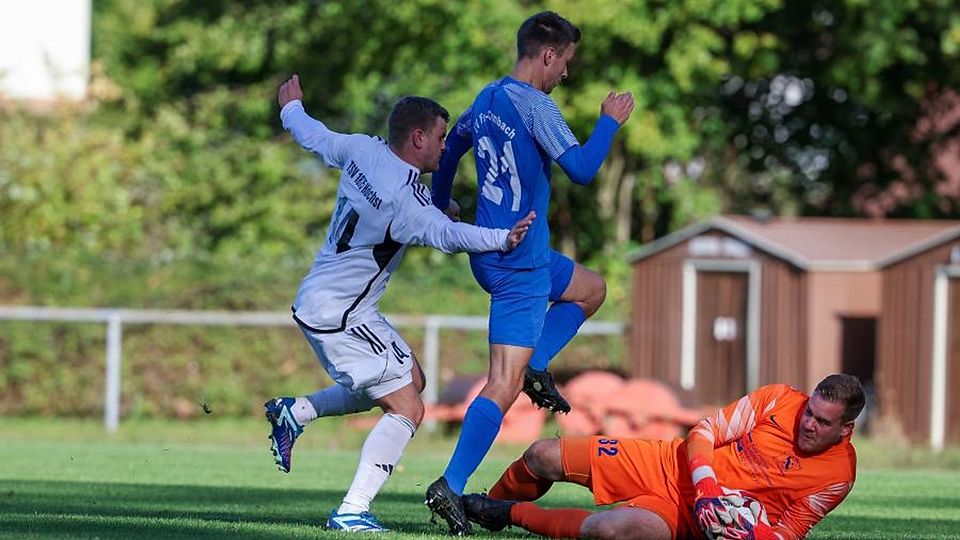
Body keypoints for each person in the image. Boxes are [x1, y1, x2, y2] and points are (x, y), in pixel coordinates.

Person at [265, 74, 536, 533]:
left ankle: (297, 412)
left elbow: (316, 137)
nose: (444, 146)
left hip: (338, 304)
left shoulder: (363, 150)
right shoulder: (406, 199)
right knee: (408, 407)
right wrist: (501, 238)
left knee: (412, 378)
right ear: (417, 138)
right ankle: (352, 510)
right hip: (339, 316)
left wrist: (291, 109)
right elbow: (446, 235)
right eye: (440, 137)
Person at [425, 11, 635, 534]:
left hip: (506, 253)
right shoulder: (537, 107)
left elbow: (452, 147)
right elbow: (583, 171)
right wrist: (609, 120)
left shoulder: (489, 95)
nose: (566, 72)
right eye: (565, 61)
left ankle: (539, 360)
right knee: (503, 384)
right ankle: (449, 485)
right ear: (548, 55)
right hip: (518, 266)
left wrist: (439, 200)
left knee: (591, 290)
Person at [462, 374, 864, 540]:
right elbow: (704, 432)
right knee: (543, 454)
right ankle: (473, 512)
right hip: (668, 462)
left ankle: (508, 515)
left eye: (822, 421)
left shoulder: (838, 477)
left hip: (691, 517)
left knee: (610, 530)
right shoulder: (778, 399)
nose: (808, 423)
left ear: (845, 430)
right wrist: (707, 485)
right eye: (810, 411)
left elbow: (787, 533)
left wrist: (743, 531)